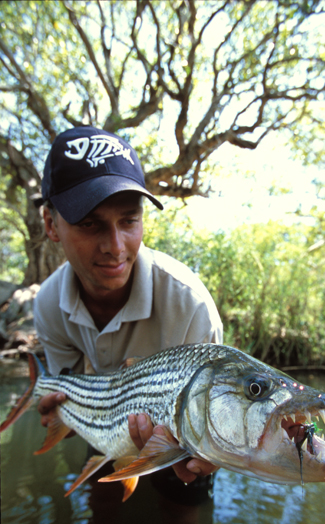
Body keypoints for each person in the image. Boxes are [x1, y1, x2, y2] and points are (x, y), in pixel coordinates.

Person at [32, 125, 222, 492]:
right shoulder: (48, 304)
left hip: (181, 439)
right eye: (90, 223)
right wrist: (61, 417)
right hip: (103, 424)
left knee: (186, 513)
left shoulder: (192, 306)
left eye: (129, 220)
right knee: (102, 505)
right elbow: (70, 401)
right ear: (50, 224)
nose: (115, 247)